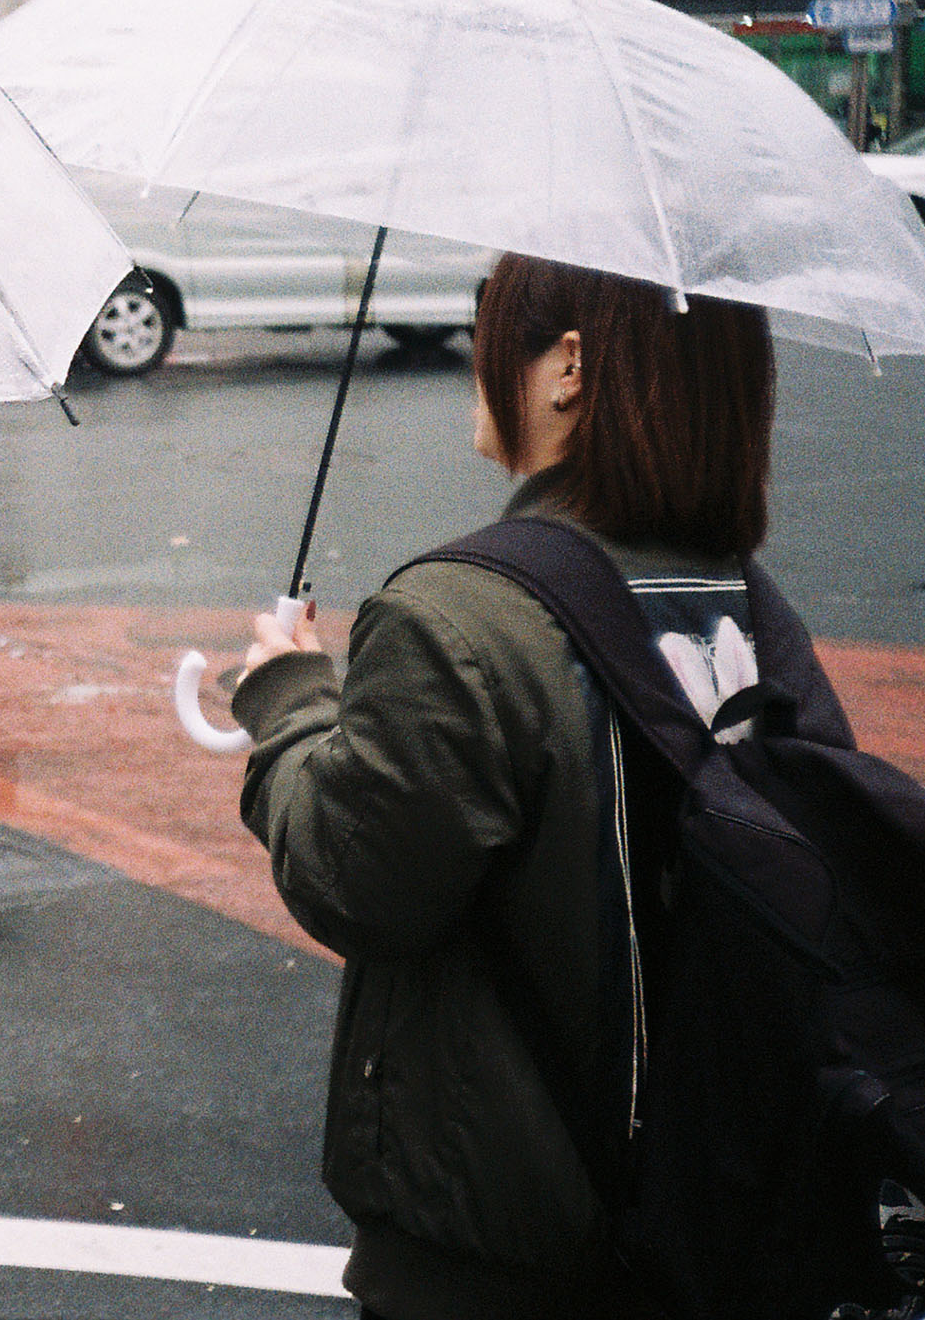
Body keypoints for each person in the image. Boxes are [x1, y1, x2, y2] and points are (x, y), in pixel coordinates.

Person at [222, 253, 777, 1320]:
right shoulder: (743, 600)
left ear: (567, 366)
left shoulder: (460, 613)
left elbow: (356, 879)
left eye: (494, 322)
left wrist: (288, 698)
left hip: (498, 1250)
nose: (476, 349)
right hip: (713, 1204)